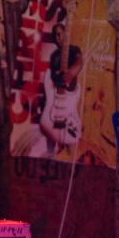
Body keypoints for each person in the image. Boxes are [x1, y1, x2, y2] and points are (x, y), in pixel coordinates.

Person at [39, 20, 83, 156]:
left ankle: (73, 169)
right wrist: (57, 76)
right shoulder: (54, 56)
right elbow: (51, 77)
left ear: (66, 34)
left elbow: (79, 62)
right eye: (56, 36)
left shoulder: (74, 49)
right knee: (49, 131)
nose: (58, 38)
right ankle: (50, 159)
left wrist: (70, 73)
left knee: (71, 141)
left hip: (68, 100)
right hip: (55, 99)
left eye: (60, 34)